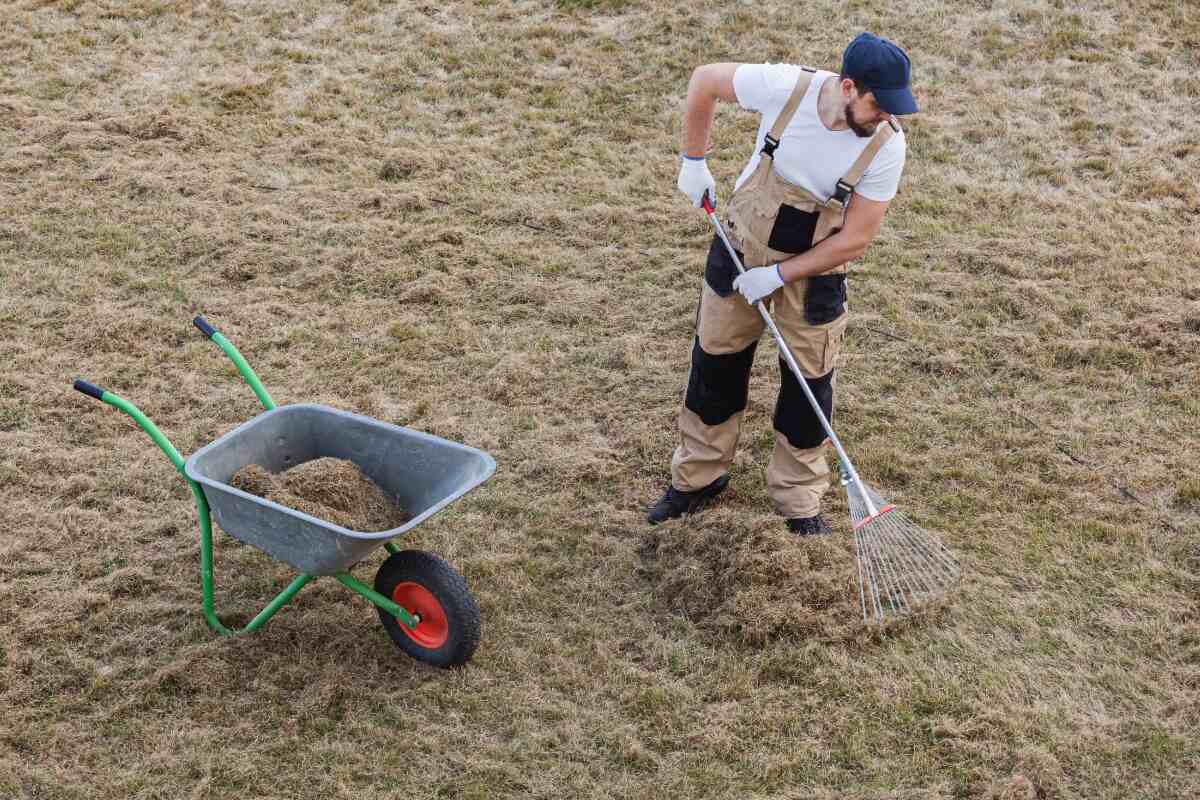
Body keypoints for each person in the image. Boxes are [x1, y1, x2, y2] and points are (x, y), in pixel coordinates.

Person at [646, 33, 918, 534]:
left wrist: (777, 275)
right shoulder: (785, 88)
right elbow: (704, 80)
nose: (887, 117)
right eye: (880, 105)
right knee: (716, 363)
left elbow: (854, 239)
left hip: (814, 273)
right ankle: (697, 479)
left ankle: (799, 500)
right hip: (739, 245)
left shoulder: (886, 147)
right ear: (849, 87)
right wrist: (693, 160)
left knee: (808, 384)